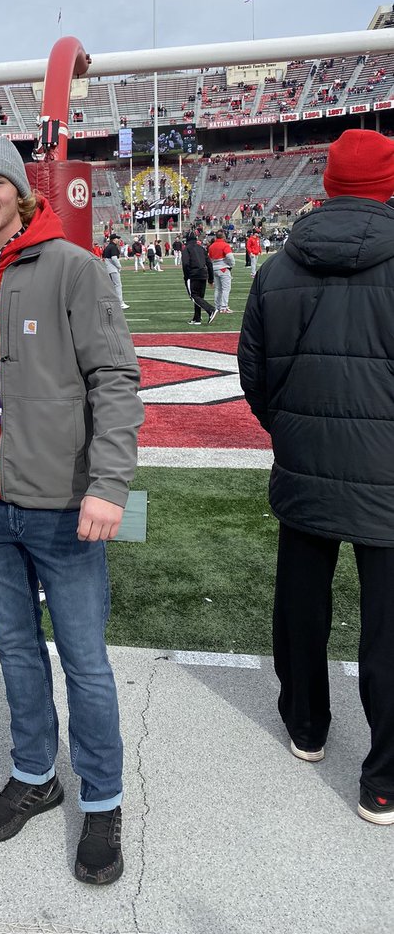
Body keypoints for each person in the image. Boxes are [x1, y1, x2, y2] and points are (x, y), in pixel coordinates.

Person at [0, 137, 144, 886]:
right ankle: (34, 774)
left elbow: (116, 377)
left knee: (85, 662)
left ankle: (105, 799)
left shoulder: (72, 267)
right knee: (17, 652)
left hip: (61, 503)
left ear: (22, 192)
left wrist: (110, 485)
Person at [238, 128, 394, 827]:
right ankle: (383, 780)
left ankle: (306, 725)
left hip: (303, 462)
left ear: (328, 183)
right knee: (388, 627)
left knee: (301, 603)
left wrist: (294, 430)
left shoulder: (276, 269)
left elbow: (254, 372)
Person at [181, 232, 217, 325]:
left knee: (194, 296)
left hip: (193, 274)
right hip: (203, 274)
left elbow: (185, 264)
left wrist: (186, 276)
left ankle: (210, 309)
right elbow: (209, 263)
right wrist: (211, 279)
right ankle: (197, 318)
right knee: (199, 297)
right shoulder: (201, 248)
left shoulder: (187, 249)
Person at [207, 231, 235, 313]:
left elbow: (210, 258)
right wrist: (231, 264)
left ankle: (217, 306)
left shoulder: (211, 246)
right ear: (224, 237)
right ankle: (224, 307)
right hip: (223, 268)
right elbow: (230, 256)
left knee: (218, 289)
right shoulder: (225, 245)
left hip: (214, 268)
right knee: (226, 288)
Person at [101, 233, 129, 308]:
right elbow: (114, 258)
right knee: (118, 285)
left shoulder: (107, 247)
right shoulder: (113, 247)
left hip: (108, 268)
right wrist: (119, 266)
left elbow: (103, 257)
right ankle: (120, 303)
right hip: (113, 269)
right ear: (114, 239)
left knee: (112, 286)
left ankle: (111, 301)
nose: (118, 240)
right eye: (117, 238)